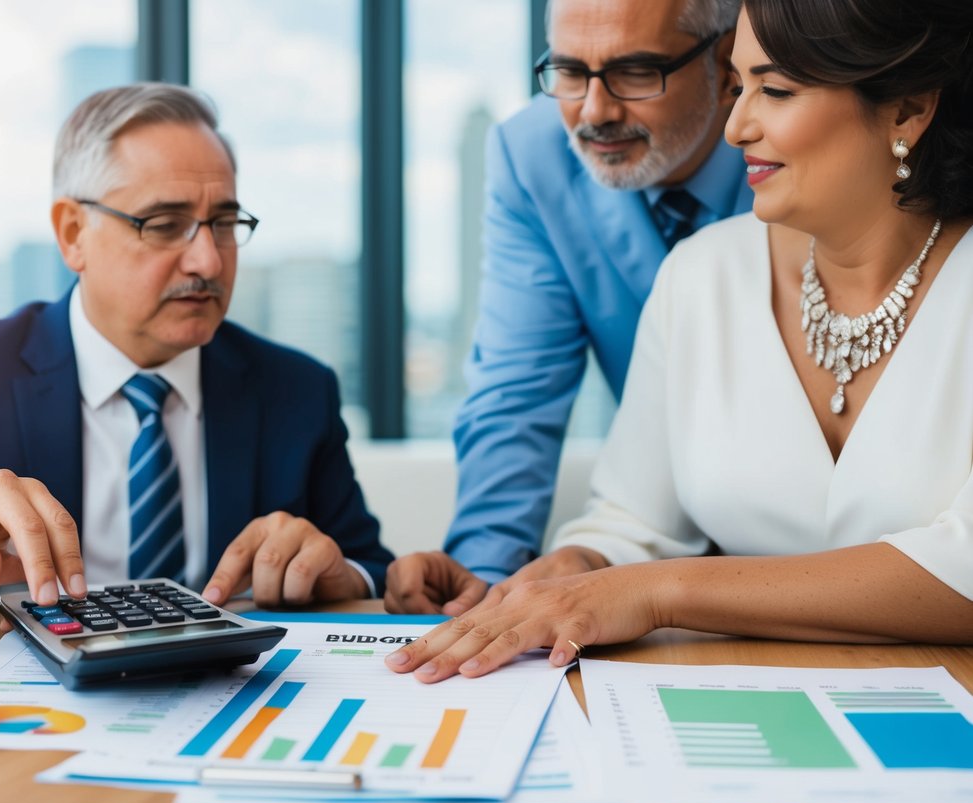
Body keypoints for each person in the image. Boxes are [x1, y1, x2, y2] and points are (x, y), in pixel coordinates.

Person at [387, 0, 973, 681]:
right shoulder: (701, 273)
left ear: (907, 109)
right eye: (740, 85)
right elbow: (630, 519)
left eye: (776, 91)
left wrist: (656, 591)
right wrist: (579, 566)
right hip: (754, 700)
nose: (735, 126)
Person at [0, 83, 391, 632]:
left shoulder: (295, 389)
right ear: (72, 234)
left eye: (223, 223)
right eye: (164, 224)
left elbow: (371, 568)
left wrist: (342, 574)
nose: (207, 260)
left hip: (235, 704)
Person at [385, 0, 753, 615]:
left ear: (726, 62)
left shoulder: (797, 149)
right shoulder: (532, 154)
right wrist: (483, 579)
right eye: (570, 72)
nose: (594, 111)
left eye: (635, 72)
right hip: (648, 550)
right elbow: (516, 391)